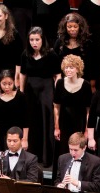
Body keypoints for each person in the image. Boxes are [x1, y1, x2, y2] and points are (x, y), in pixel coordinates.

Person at [17, 27, 60, 164]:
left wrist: (57, 90)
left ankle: (46, 156)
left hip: (46, 89)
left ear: (42, 40)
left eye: (37, 39)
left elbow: (57, 75)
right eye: (31, 40)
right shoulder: (25, 54)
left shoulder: (51, 54)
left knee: (46, 120)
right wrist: (22, 92)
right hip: (30, 90)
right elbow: (23, 74)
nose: (34, 42)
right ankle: (32, 155)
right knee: (31, 120)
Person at [0, 127, 43, 193]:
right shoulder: (0, 156)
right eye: (9, 140)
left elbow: (32, 181)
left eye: (15, 141)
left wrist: (11, 182)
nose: (11, 144)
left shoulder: (31, 158)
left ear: (21, 140)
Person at [54, 54, 92, 160]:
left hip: (79, 122)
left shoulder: (86, 85)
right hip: (64, 123)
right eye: (66, 67)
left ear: (78, 69)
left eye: (71, 67)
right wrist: (56, 127)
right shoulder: (60, 83)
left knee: (78, 150)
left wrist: (87, 130)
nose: (68, 70)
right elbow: (56, 106)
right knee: (63, 151)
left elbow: (89, 110)